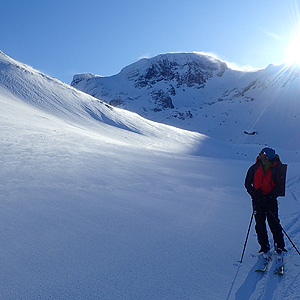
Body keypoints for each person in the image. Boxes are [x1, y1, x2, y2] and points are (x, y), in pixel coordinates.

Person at [245, 147, 287, 255]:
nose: (260, 154)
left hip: (270, 200)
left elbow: (280, 186)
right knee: (260, 224)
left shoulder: (276, 169)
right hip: (257, 200)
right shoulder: (254, 168)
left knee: (274, 223)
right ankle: (264, 246)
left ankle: (280, 247)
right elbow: (247, 183)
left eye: (262, 153)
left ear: (267, 156)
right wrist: (254, 193)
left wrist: (271, 196)